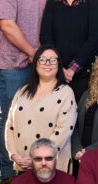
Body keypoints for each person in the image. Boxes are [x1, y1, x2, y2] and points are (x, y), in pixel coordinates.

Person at [0, 0, 47, 181]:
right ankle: (5, 173)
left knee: (31, 119)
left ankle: (26, 169)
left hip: (34, 68)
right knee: (9, 118)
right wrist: (34, 53)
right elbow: (8, 27)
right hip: (10, 67)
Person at [39, 0, 98, 102]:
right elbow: (45, 38)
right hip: (56, 73)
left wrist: (72, 69)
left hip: (83, 74)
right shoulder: (52, 3)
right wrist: (60, 67)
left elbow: (96, 37)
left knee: (81, 118)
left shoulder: (92, 2)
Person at [5, 45, 77, 173]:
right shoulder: (22, 91)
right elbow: (10, 125)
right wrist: (13, 154)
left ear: (59, 65)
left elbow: (63, 131)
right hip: (23, 166)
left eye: (53, 60)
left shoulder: (66, 93)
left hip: (52, 168)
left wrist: (37, 158)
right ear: (35, 63)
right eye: (42, 59)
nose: (47, 63)